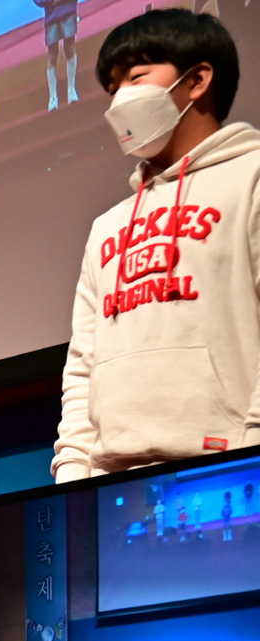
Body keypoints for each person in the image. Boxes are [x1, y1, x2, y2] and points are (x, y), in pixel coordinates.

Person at [55, 11, 260, 482]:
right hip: (111, 479)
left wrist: (250, 458)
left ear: (197, 80)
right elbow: (83, 365)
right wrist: (74, 470)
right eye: (112, 88)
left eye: (136, 77)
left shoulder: (251, 179)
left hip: (231, 467)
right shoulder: (107, 227)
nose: (119, 100)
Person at [36, 0, 81, 110]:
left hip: (68, 12)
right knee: (52, 56)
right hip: (51, 18)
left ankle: (71, 90)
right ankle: (53, 97)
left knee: (69, 49)